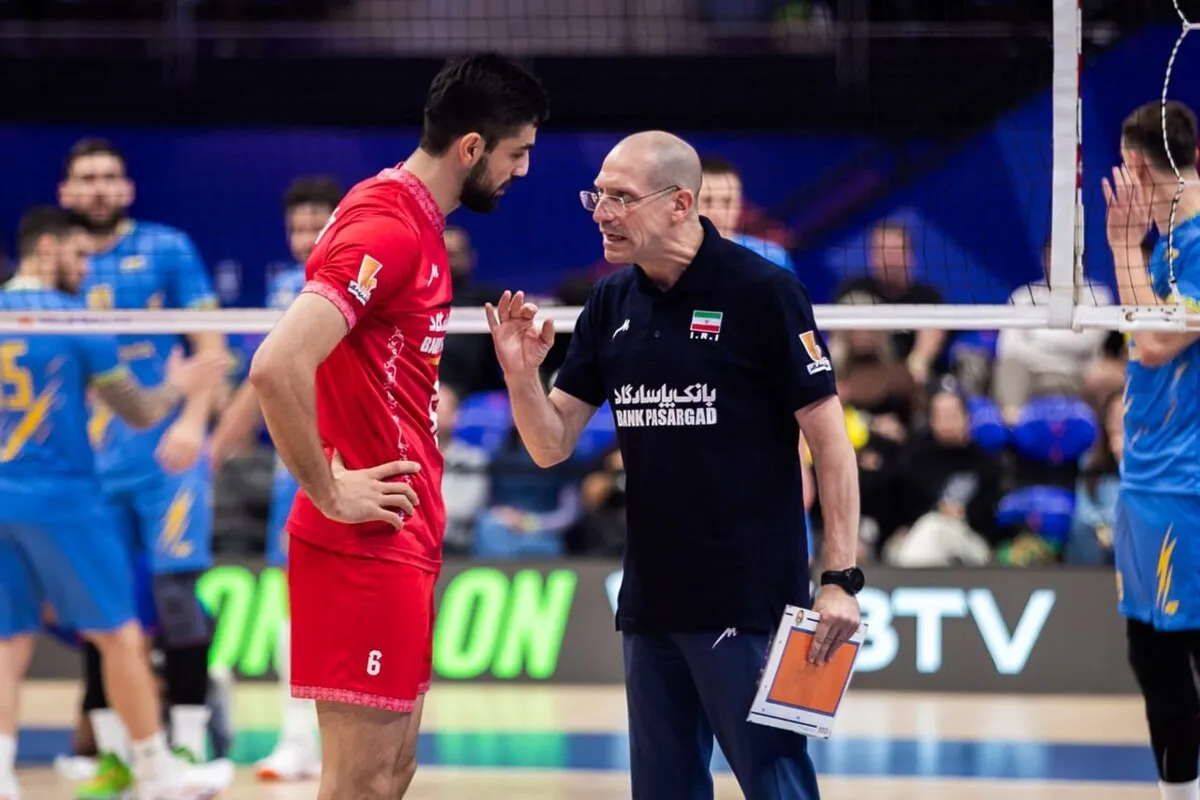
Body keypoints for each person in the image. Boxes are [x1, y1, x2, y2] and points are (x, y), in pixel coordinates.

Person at [485, 130, 862, 800]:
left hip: (749, 603)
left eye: (621, 198)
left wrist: (839, 579)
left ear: (680, 204)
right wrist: (521, 379)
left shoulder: (764, 292)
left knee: (778, 786)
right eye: (598, 196)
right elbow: (551, 444)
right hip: (651, 604)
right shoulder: (609, 302)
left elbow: (832, 446)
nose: (602, 213)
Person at [248, 53, 549, 799]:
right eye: (517, 153)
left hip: (404, 532)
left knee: (393, 774)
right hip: (364, 541)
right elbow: (276, 365)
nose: (522, 171)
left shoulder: (413, 219)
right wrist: (328, 490)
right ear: (472, 147)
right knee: (361, 783)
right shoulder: (388, 228)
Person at [0, 206, 232, 800]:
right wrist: (182, 385)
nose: (87, 269)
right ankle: (156, 771)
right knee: (120, 636)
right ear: (47, 249)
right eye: (79, 257)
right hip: (64, 498)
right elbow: (140, 410)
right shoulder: (74, 321)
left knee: (8, 641)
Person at [54, 138, 230, 797]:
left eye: (109, 177)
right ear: (66, 192)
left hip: (166, 457)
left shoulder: (168, 248)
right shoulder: (57, 260)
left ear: (127, 188)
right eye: (87, 179)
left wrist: (191, 424)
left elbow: (210, 345)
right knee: (96, 604)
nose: (99, 188)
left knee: (176, 597)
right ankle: (113, 755)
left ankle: (188, 745)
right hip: (87, 465)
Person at [210, 174, 344, 783]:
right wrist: (218, 446)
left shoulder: (367, 279)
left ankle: (342, 742)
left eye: (318, 225)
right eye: (296, 228)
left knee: (352, 608)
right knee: (298, 603)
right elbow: (257, 380)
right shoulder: (286, 290)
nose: (306, 238)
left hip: (362, 458)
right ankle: (297, 740)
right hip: (301, 466)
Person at [1102, 99, 1200, 800]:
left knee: (1176, 650)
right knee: (1154, 655)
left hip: (1185, 486)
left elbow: (1158, 341)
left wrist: (1118, 248)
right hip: (1150, 478)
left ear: (1135, 166)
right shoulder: (1167, 245)